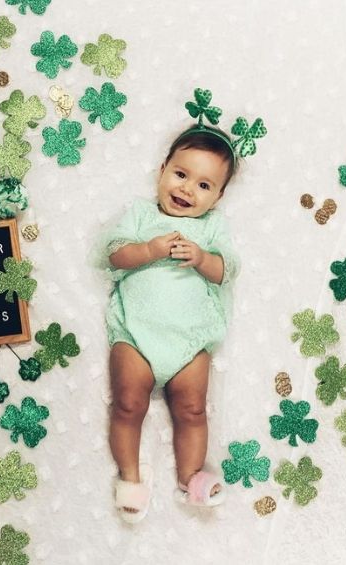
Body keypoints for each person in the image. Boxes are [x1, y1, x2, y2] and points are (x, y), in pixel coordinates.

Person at [98, 123, 242, 523]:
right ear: (162, 169)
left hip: (188, 341)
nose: (186, 190)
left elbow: (226, 270)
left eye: (203, 186)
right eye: (180, 175)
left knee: (193, 409)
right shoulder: (141, 215)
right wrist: (147, 249)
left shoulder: (211, 228)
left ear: (218, 196)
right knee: (128, 404)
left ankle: (191, 478)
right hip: (136, 337)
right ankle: (130, 477)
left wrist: (202, 258)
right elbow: (114, 256)